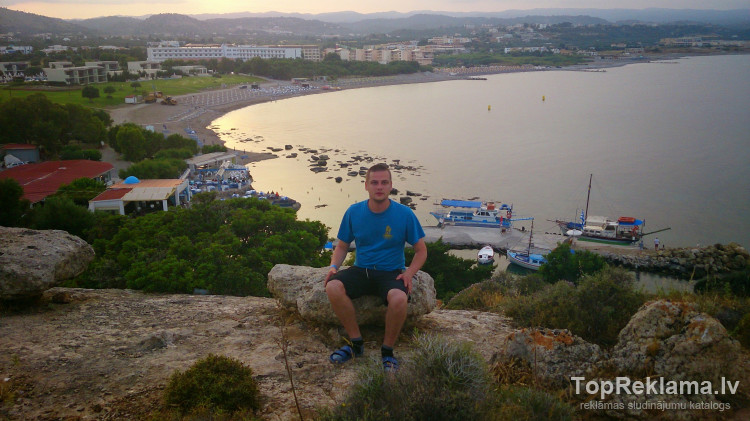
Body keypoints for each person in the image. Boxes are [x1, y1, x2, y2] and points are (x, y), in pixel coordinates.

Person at [324, 163, 427, 372]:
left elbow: (421, 251)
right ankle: (356, 343)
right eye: (374, 183)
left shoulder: (404, 214)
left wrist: (409, 273)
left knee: (399, 298)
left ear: (390, 186)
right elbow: (342, 246)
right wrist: (334, 266)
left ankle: (387, 351)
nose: (379, 187)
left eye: (384, 182)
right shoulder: (354, 212)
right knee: (332, 287)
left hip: (390, 272)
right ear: (366, 186)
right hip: (361, 269)